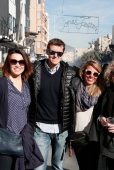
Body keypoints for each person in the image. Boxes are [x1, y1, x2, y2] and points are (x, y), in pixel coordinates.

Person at [28, 38, 76, 170]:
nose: (55, 56)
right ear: (47, 51)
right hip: (40, 128)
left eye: (59, 53)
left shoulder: (70, 73)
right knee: (38, 167)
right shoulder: (35, 70)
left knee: (58, 166)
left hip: (61, 129)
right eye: (52, 52)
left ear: (63, 54)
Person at [0, 48, 43, 170]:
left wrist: (29, 129)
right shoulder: (2, 84)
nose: (18, 65)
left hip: (23, 140)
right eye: (14, 61)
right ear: (8, 63)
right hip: (5, 140)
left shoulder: (27, 84)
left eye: (21, 62)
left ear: (26, 64)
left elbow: (30, 111)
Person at [70, 60, 104, 170]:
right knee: (82, 166)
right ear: (83, 72)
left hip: (94, 137)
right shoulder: (75, 86)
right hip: (78, 135)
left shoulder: (101, 91)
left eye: (95, 74)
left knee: (92, 166)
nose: (91, 76)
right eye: (88, 72)